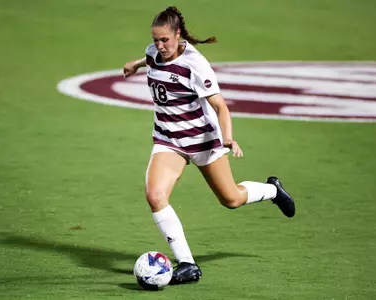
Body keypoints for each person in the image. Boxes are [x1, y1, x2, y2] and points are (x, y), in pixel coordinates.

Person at [123, 6, 295, 285]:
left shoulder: (195, 64)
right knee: (155, 195)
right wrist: (135, 63)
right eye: (155, 40)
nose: (159, 45)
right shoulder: (155, 52)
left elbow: (220, 106)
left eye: (165, 40)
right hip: (169, 139)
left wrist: (228, 137)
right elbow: (150, 58)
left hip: (202, 140)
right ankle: (188, 264)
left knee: (231, 199)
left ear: (178, 35)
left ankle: (272, 190)